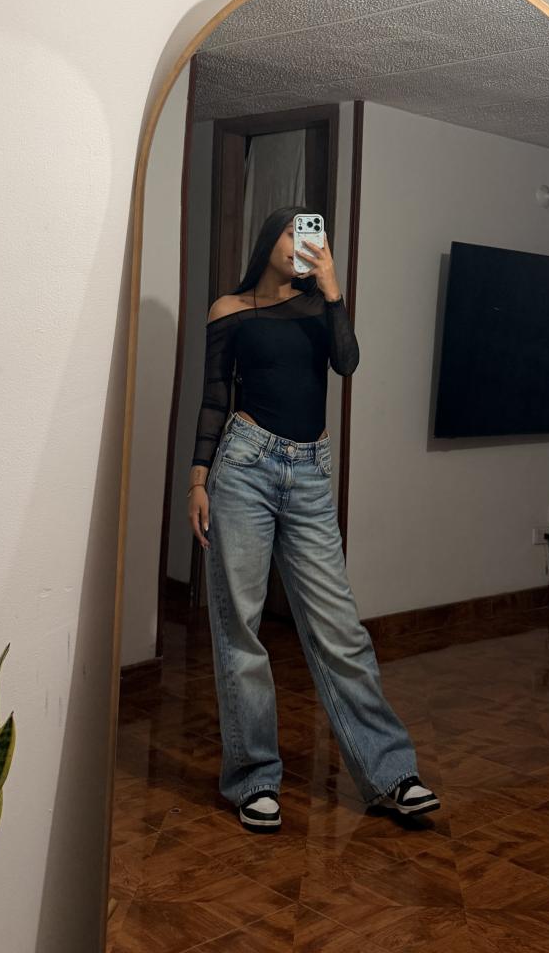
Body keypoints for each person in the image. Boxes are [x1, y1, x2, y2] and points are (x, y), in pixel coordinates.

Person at [186, 205, 440, 833]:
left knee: (340, 630)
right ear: (270, 238)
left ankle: (391, 775)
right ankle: (253, 779)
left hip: (309, 474)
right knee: (241, 628)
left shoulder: (320, 307)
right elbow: (214, 396)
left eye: (314, 234)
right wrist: (198, 480)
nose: (306, 241)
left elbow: (347, 363)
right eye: (295, 230)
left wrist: (333, 291)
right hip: (243, 466)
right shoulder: (229, 310)